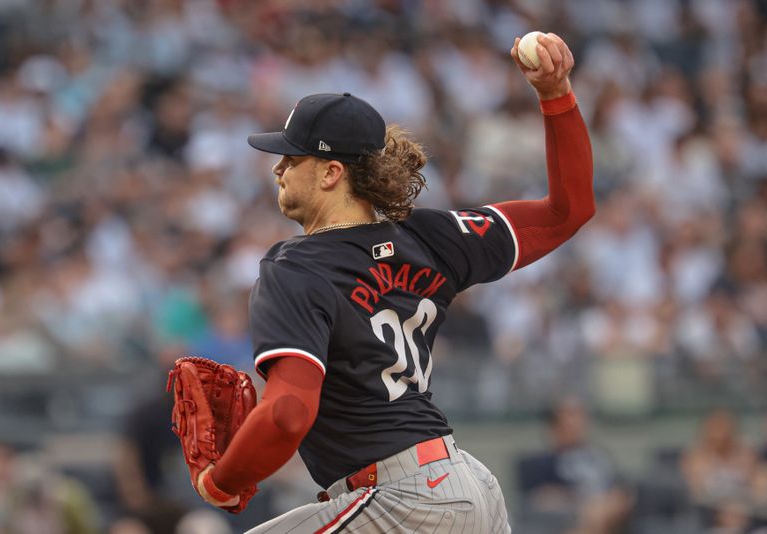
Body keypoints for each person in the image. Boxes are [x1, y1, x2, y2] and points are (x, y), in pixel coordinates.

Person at [190, 32, 594, 533]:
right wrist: (556, 95)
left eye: (292, 158)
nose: (278, 168)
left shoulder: (294, 266)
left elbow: (287, 414)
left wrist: (223, 480)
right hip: (466, 487)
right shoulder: (432, 236)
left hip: (402, 501)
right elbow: (569, 210)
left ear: (331, 172)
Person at [516, 398, 633, 534]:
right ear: (554, 426)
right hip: (573, 518)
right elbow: (541, 498)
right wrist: (584, 504)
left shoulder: (598, 456)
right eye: (570, 416)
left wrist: (612, 501)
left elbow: (619, 487)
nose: (576, 423)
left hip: (609, 513)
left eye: (580, 416)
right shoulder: (541, 462)